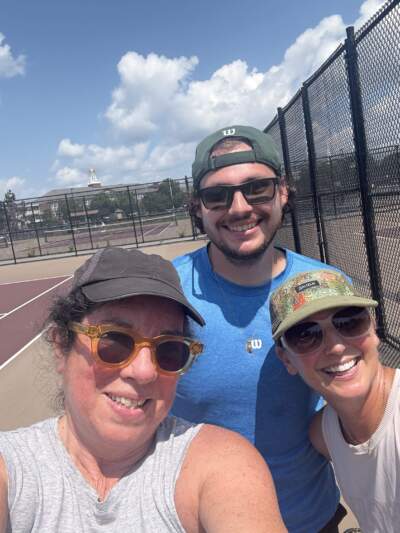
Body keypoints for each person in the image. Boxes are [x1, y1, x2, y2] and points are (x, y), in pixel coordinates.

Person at [0, 247, 287, 533]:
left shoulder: (221, 464)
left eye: (169, 351)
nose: (144, 371)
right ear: (62, 346)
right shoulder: (12, 468)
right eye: (114, 342)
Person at [172, 125, 347, 532]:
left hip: (311, 518)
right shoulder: (167, 293)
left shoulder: (327, 288)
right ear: (198, 207)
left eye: (257, 188)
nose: (238, 207)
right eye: (217, 195)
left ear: (283, 192)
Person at [270, 269, 400, 533]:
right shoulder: (325, 434)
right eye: (305, 335)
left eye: (349, 321)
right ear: (286, 359)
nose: (336, 346)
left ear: (373, 328)